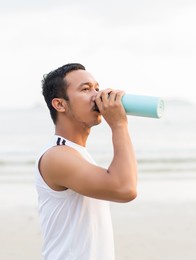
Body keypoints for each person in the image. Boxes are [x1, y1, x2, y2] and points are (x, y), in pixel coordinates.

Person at [35, 63, 138, 260]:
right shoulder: (57, 155)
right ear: (60, 104)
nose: (97, 95)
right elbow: (125, 188)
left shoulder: (76, 153)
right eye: (85, 89)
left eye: (97, 88)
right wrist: (118, 124)